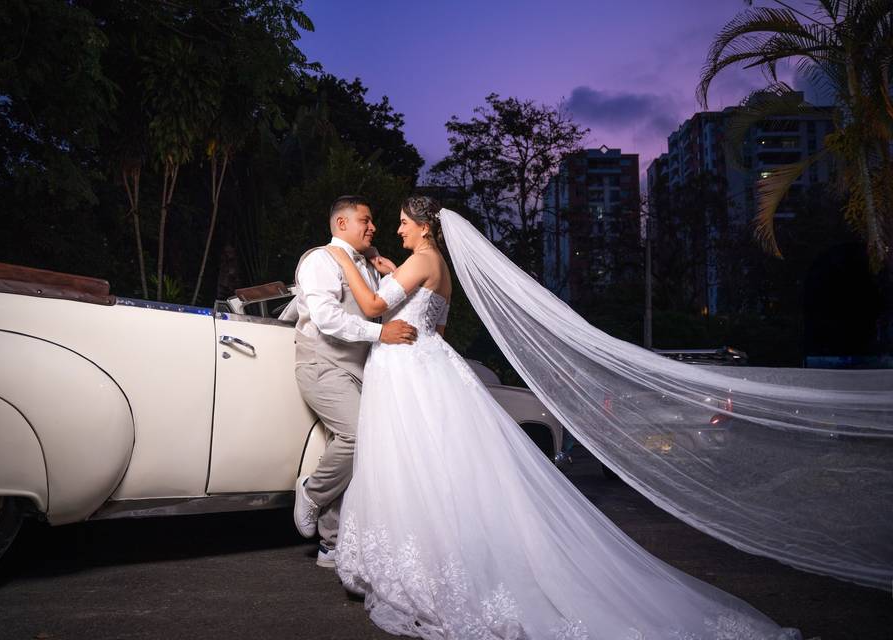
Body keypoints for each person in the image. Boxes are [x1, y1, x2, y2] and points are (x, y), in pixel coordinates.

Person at [323, 196, 801, 640]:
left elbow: (373, 306)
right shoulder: (436, 266)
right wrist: (391, 273)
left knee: (416, 466)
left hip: (408, 370)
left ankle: (432, 567)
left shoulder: (421, 259)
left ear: (424, 226)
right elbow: (437, 327)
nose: (397, 228)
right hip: (424, 362)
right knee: (436, 468)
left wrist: (345, 259)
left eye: (405, 222)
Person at [289, 195, 419, 568]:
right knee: (357, 437)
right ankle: (312, 491)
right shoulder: (320, 260)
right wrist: (381, 336)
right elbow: (328, 319)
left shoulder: (369, 264)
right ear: (342, 224)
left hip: (362, 370)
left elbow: (380, 307)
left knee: (359, 454)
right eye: (366, 220)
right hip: (322, 365)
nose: (373, 226)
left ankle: (330, 544)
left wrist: (389, 274)